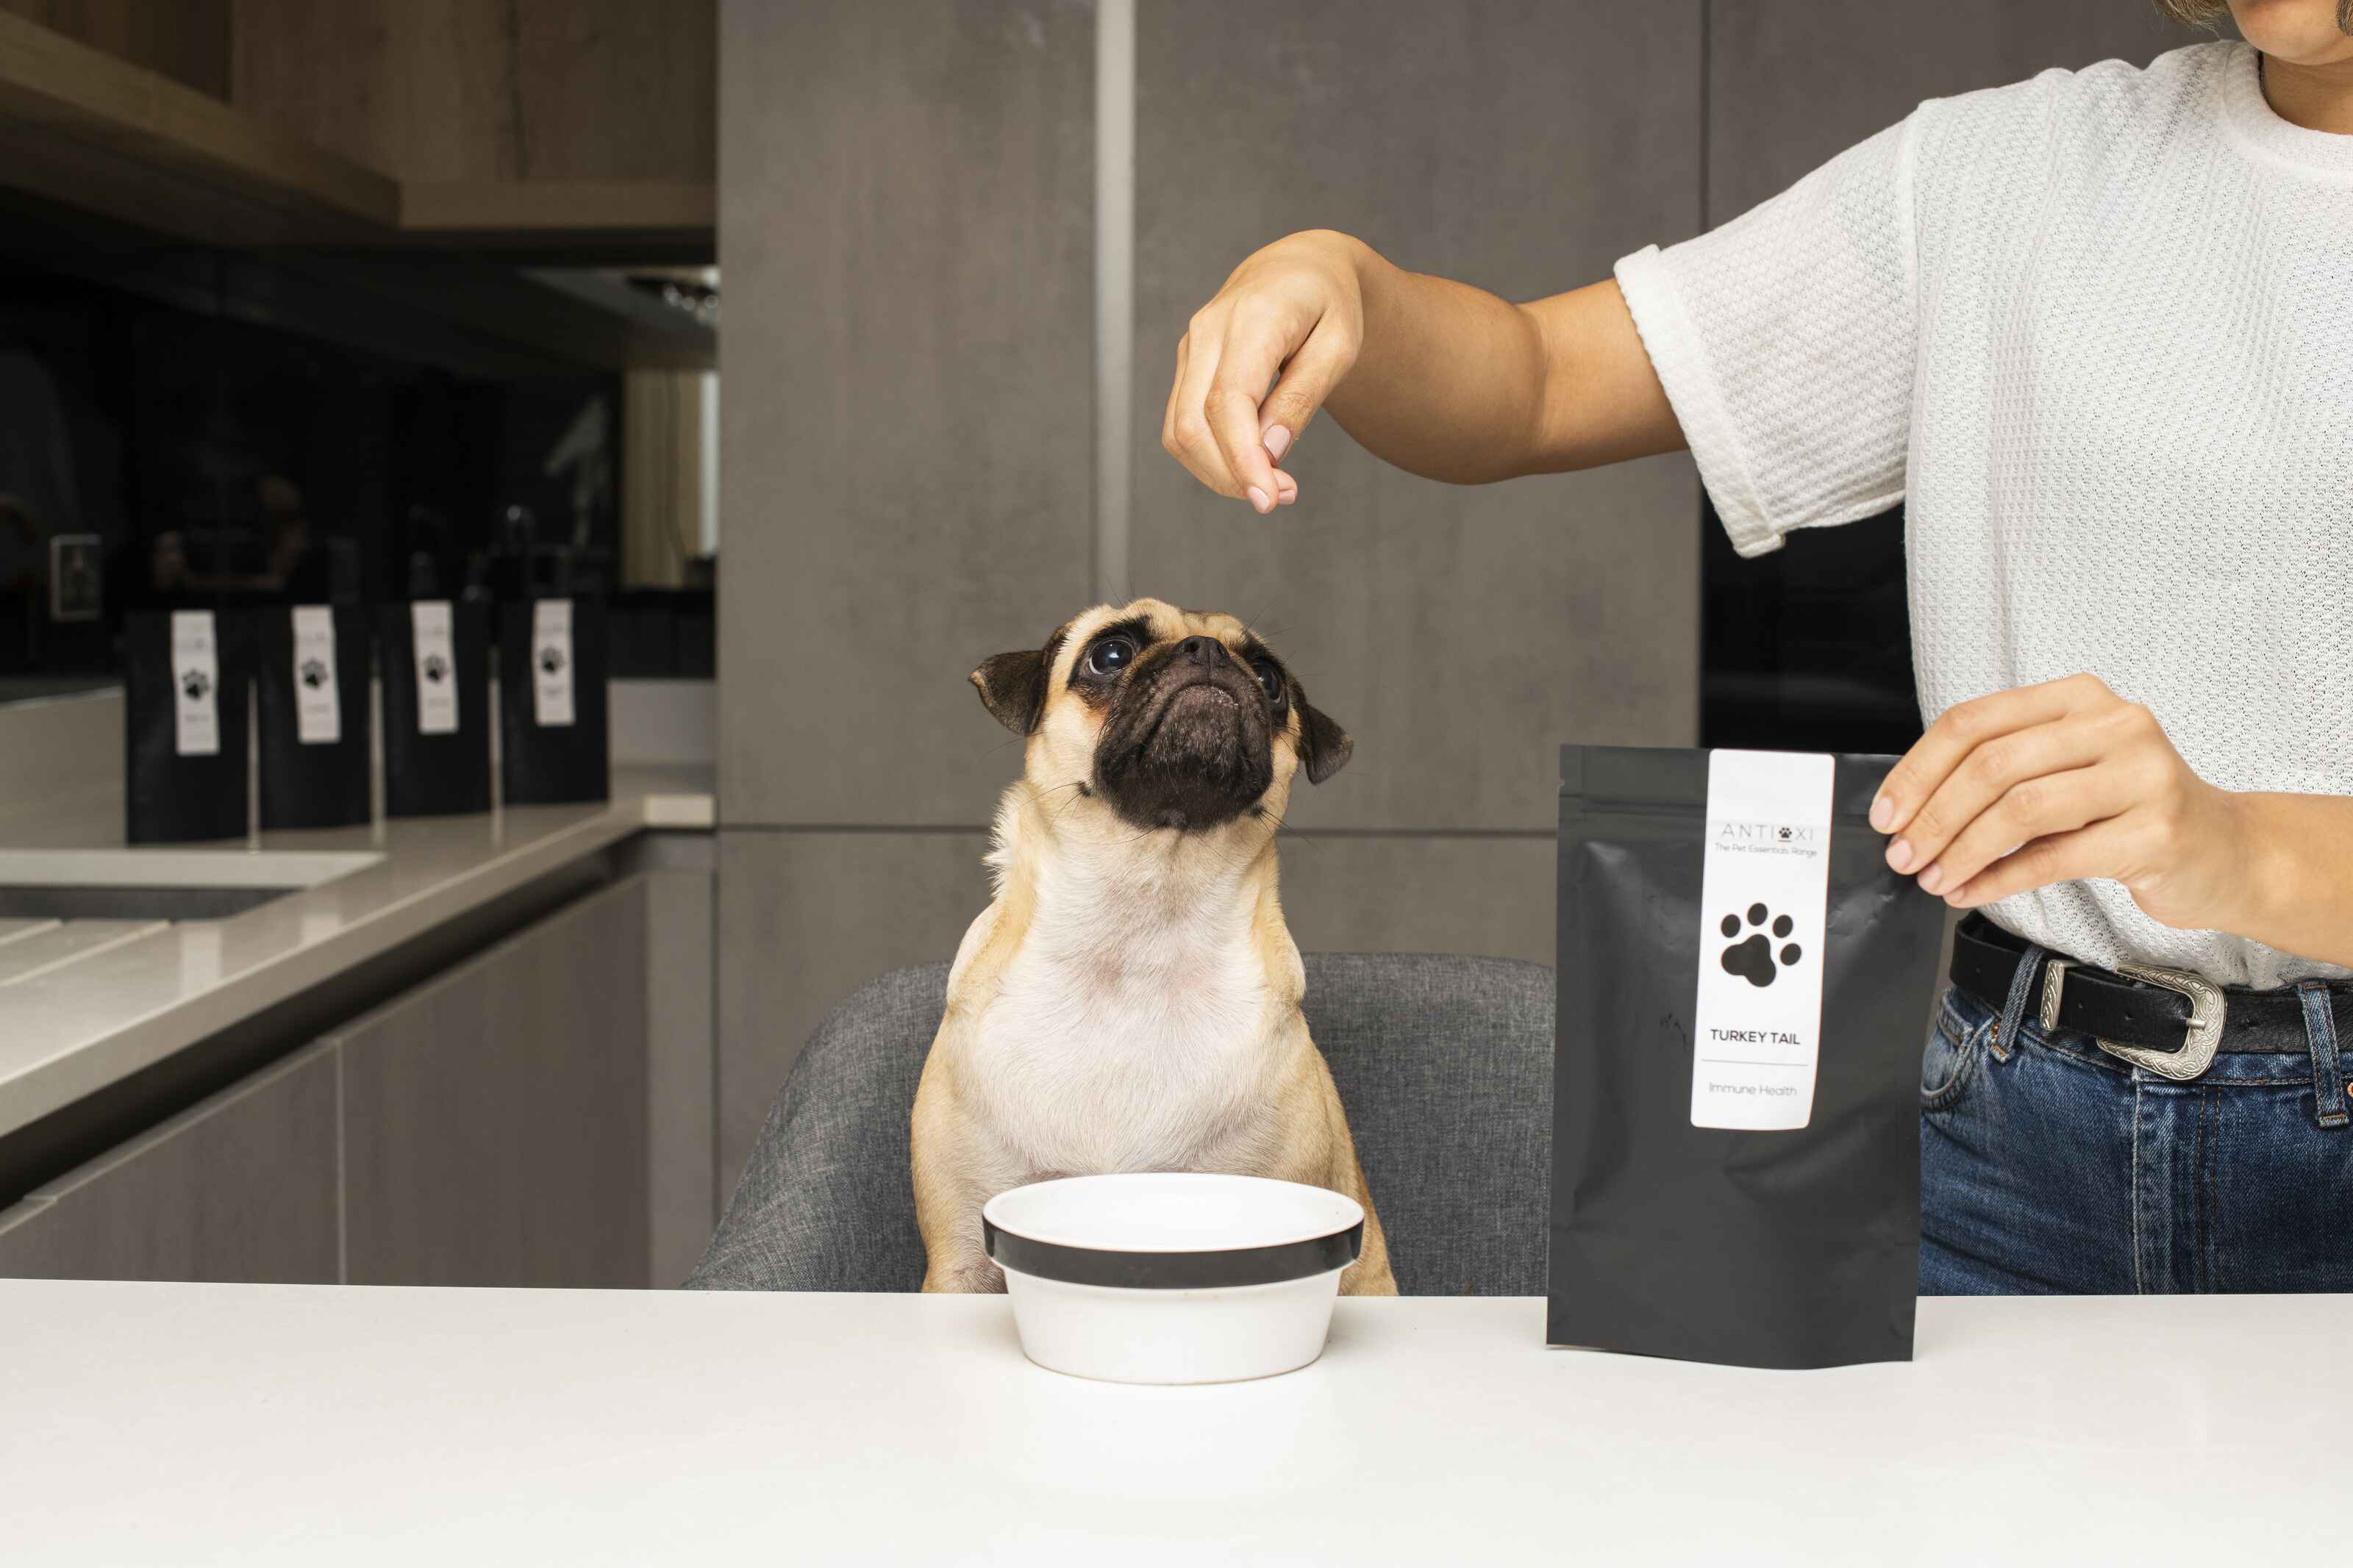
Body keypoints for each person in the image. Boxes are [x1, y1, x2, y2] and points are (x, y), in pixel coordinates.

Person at [1158, 0, 2353, 1295]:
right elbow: (1538, 380)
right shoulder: (2000, 178)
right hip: (2000, 1138)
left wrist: (2232, 845)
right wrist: (1339, 282)